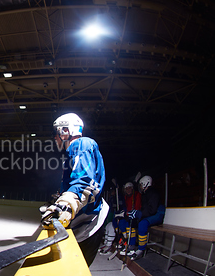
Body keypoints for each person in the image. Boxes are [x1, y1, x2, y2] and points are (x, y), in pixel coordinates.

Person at [40, 113, 108, 266]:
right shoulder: (73, 152)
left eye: (55, 133)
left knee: (73, 271)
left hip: (89, 222)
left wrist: (65, 204)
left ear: (65, 131)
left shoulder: (82, 144)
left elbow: (85, 183)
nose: (54, 137)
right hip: (84, 221)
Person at [122, 176, 165, 260]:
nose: (140, 187)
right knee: (133, 222)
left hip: (158, 213)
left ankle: (141, 250)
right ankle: (131, 245)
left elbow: (152, 210)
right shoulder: (145, 194)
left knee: (142, 224)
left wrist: (139, 213)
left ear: (146, 184)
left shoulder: (153, 193)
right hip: (150, 213)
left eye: (141, 185)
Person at [117, 181, 142, 254]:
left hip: (136, 215)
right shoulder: (126, 197)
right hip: (128, 215)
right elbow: (125, 207)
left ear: (132, 188)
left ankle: (131, 244)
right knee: (121, 222)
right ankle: (125, 240)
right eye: (126, 189)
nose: (128, 190)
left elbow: (137, 207)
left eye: (129, 188)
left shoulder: (137, 195)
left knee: (129, 225)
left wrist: (131, 213)